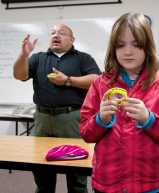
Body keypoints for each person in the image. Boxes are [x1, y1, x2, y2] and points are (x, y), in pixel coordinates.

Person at [80, 13, 159, 193]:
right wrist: (100, 120)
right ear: (113, 49)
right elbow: (85, 133)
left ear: (148, 48)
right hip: (106, 183)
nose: (128, 51)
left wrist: (149, 119)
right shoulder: (100, 84)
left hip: (147, 184)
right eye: (120, 45)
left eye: (136, 44)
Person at [13, 24, 101, 193]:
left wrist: (68, 80)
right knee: (41, 167)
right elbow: (19, 75)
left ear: (72, 39)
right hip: (42, 118)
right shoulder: (38, 58)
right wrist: (24, 55)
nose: (56, 35)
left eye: (62, 33)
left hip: (71, 119)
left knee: (76, 169)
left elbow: (96, 80)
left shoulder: (83, 58)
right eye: (53, 32)